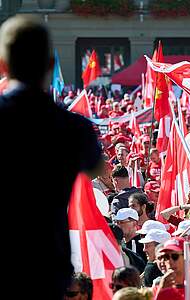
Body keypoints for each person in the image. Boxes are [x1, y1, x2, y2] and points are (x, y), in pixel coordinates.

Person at [0, 16, 103, 299]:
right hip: (48, 267)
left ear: (3, 66)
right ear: (49, 65)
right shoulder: (74, 128)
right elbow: (96, 167)